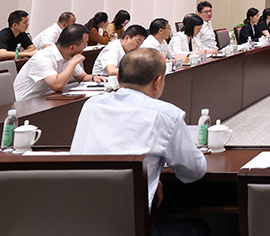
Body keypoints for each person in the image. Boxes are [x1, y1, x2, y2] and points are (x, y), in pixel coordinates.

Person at [71, 48, 207, 236]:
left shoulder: (91, 105)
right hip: (128, 226)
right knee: (199, 228)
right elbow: (194, 170)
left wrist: (152, 177)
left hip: (78, 222)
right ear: (158, 81)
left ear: (118, 77)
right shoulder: (167, 115)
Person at [13, 24, 105, 100]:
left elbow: (83, 77)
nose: (85, 47)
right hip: (27, 103)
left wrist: (94, 78)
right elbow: (57, 85)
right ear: (72, 47)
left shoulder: (69, 56)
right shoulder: (43, 57)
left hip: (48, 98)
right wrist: (73, 63)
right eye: (85, 44)